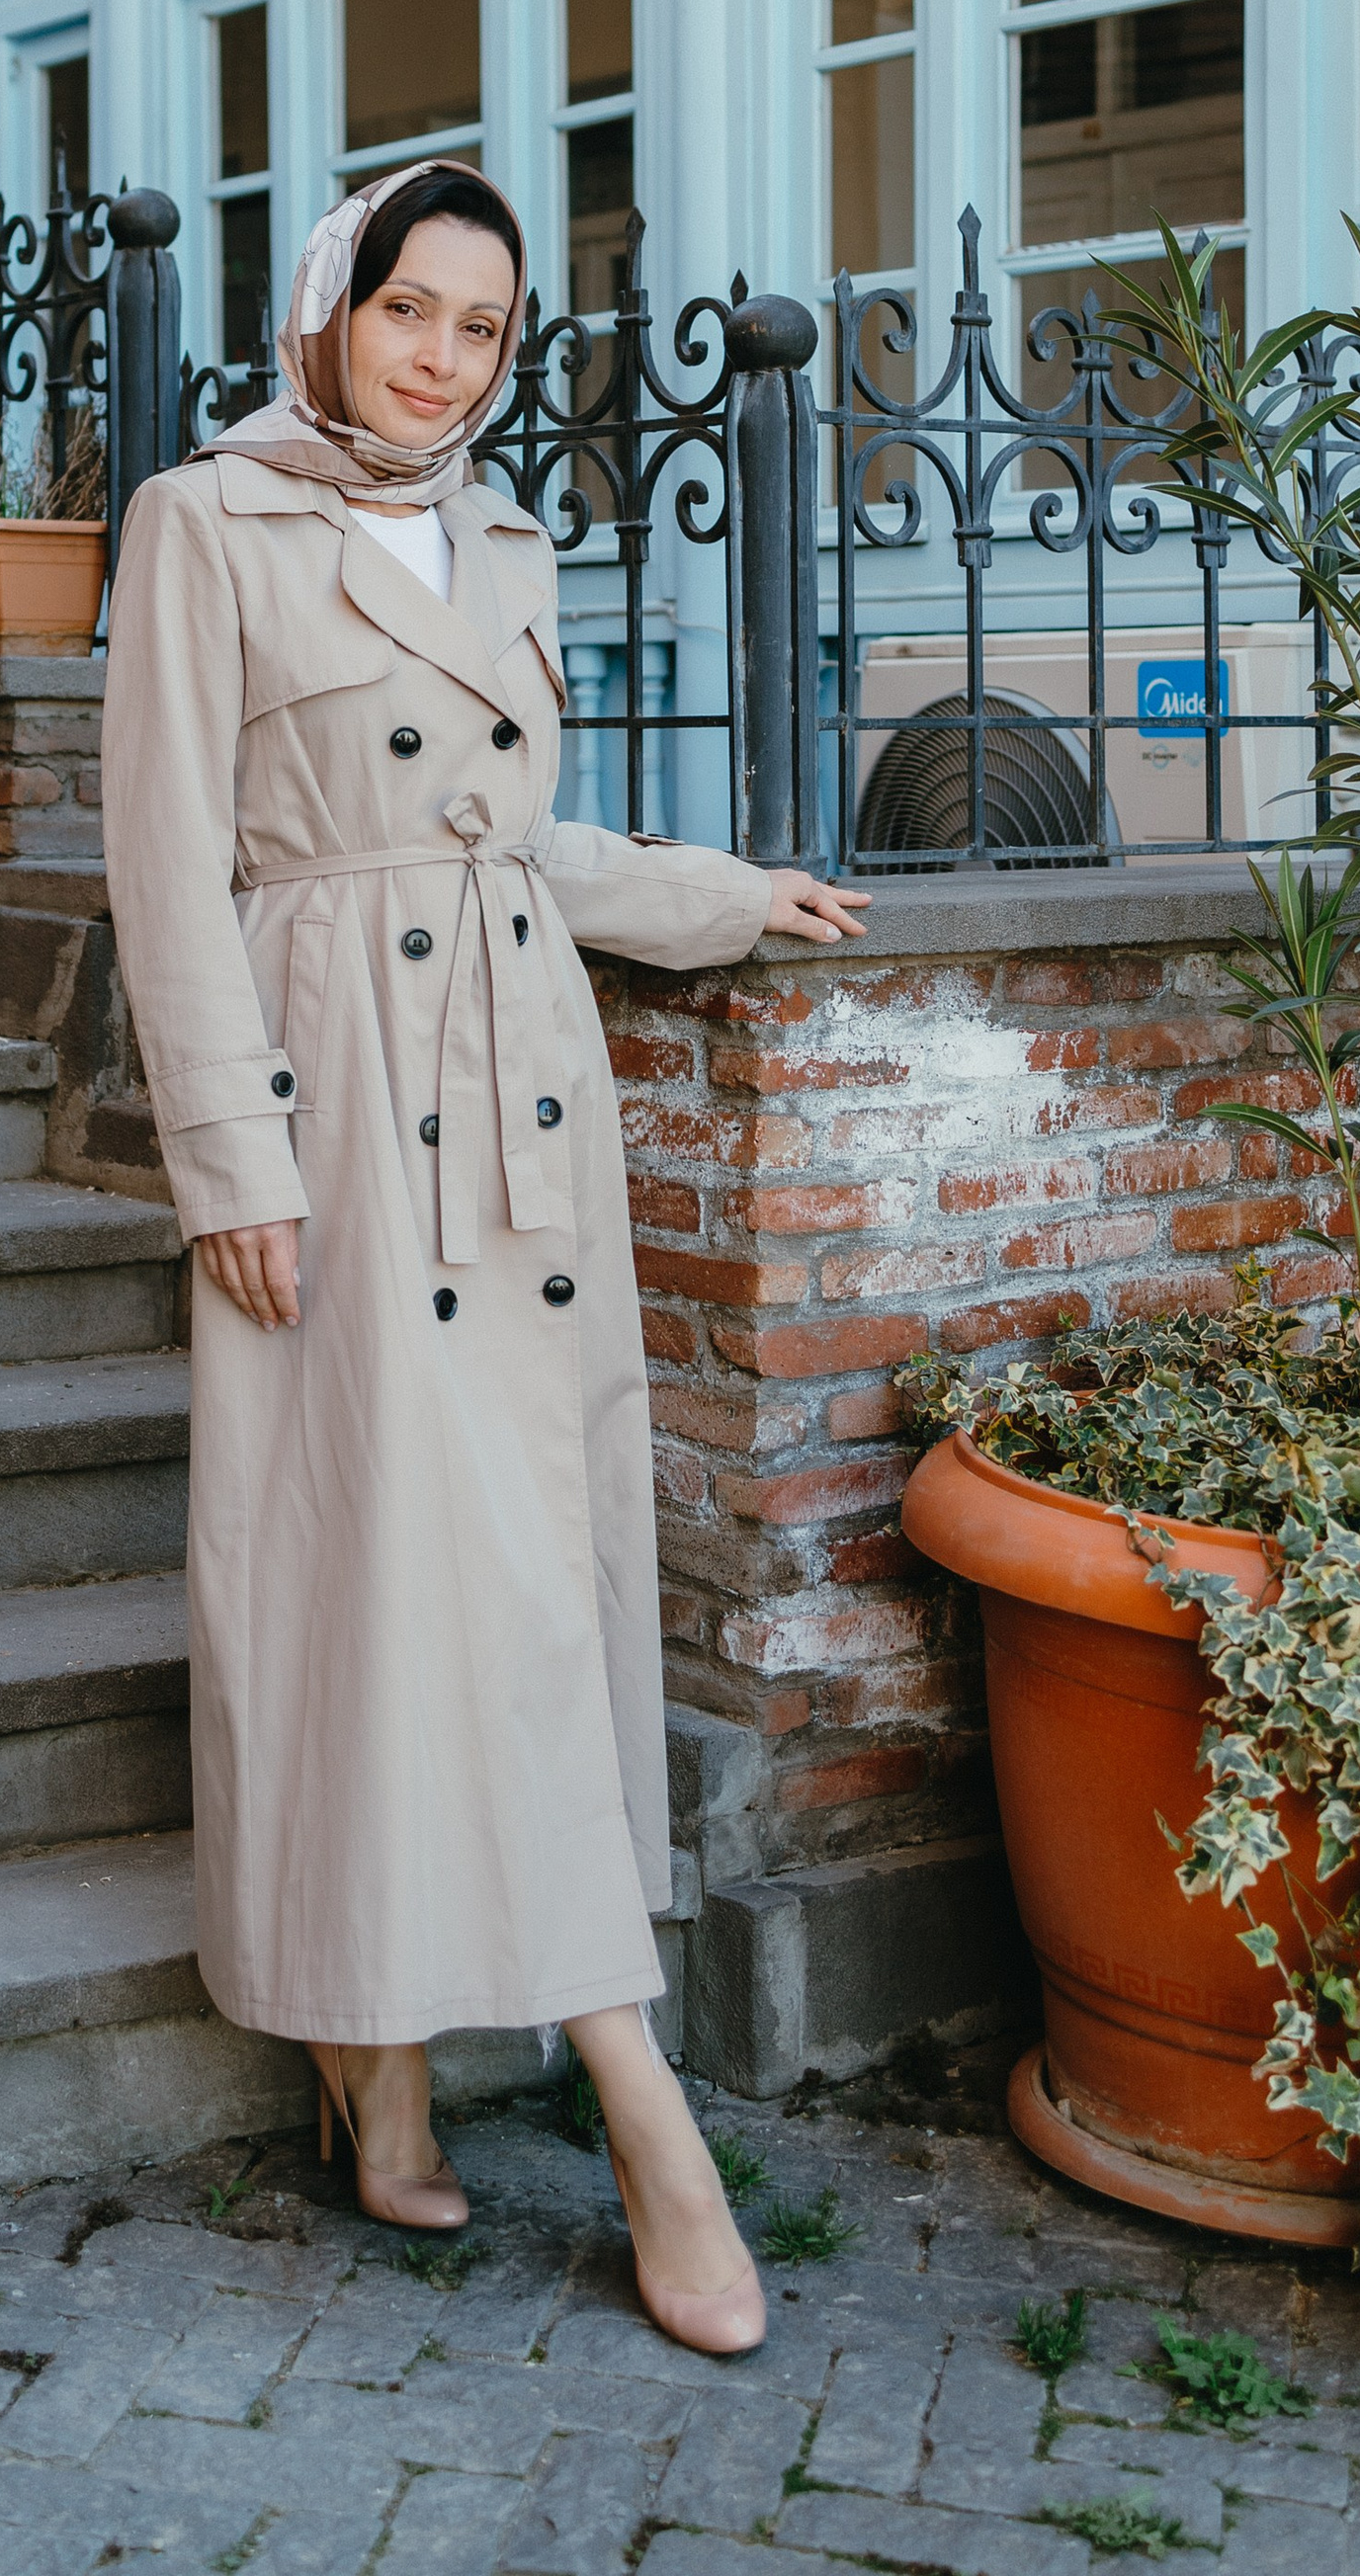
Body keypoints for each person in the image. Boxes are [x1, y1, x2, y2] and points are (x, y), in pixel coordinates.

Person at [101, 159, 871, 2358]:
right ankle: (574, 2099)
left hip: (519, 1111)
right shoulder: (205, 521)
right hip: (335, 1109)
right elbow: (163, 864)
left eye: (483, 327)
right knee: (360, 1585)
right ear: (330, 310)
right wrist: (230, 1162)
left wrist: (715, 897)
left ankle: (421, 2062)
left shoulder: (505, 535)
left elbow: (507, 842)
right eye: (408, 310)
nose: (441, 359)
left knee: (524, 1590)